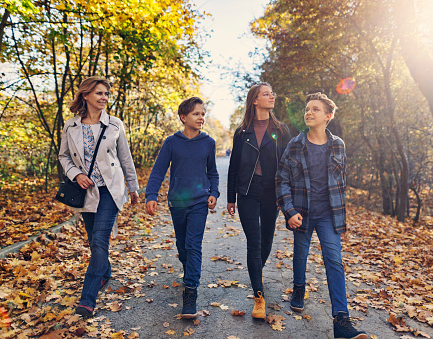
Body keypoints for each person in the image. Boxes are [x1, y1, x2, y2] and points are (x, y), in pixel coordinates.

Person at [276, 92, 367, 339]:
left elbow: (341, 181)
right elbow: (281, 179)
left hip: (329, 215)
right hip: (302, 213)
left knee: (334, 262)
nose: (309, 112)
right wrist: (289, 211)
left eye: (315, 109)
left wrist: (341, 216)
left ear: (328, 116)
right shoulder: (295, 145)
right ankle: (298, 288)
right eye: (307, 108)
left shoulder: (338, 144)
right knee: (301, 254)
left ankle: (342, 321)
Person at [59, 77, 140, 318]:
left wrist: (133, 187)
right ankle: (105, 273)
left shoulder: (114, 124)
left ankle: (87, 300)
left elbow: (125, 158)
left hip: (110, 190)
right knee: (93, 239)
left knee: (99, 242)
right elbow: (64, 157)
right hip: (87, 192)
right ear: (85, 95)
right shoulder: (71, 126)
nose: (104, 97)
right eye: (99, 93)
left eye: (106, 93)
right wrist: (76, 175)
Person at [145, 97, 219, 319]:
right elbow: (158, 170)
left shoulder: (208, 143)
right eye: (197, 114)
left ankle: (190, 291)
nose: (201, 117)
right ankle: (189, 271)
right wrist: (151, 195)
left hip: (199, 202)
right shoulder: (171, 142)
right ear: (183, 117)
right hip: (177, 201)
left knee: (193, 244)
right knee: (182, 246)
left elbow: (213, 172)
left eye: (203, 114)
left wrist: (214, 193)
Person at [227, 82, 291, 319]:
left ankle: (256, 272)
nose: (271, 96)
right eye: (266, 94)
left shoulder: (281, 129)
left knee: (266, 241)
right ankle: (258, 295)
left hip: (271, 192)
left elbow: (287, 165)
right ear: (255, 100)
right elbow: (234, 166)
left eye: (272, 93)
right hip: (247, 192)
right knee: (254, 242)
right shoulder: (242, 132)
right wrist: (231, 198)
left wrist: (285, 197)